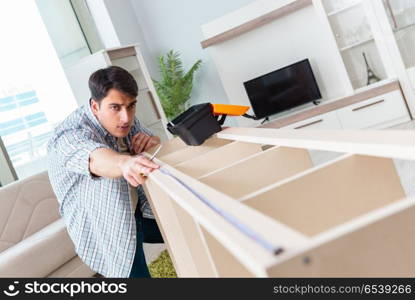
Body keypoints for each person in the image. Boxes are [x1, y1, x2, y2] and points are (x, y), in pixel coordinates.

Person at [47, 66, 164, 278]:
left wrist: (152, 141)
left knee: (185, 228)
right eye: (116, 107)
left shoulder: (124, 120)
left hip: (136, 207)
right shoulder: (68, 134)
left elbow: (152, 140)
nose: (126, 117)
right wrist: (124, 164)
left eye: (131, 106)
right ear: (94, 106)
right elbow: (95, 158)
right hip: (104, 223)